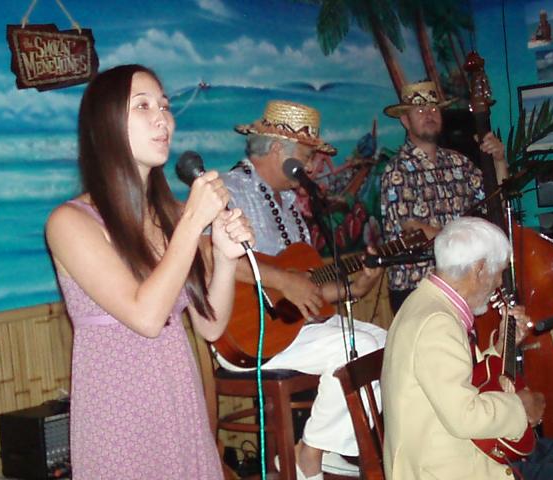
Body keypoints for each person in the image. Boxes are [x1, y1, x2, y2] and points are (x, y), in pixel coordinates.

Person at [45, 64, 254, 479]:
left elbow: (210, 326)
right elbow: (145, 316)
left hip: (179, 402)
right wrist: (192, 223)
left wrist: (225, 258)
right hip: (120, 417)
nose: (163, 118)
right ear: (104, 125)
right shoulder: (70, 222)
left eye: (164, 105)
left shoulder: (172, 216)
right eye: (142, 106)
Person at [214, 100, 387, 480]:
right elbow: (209, 261)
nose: (310, 168)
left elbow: (307, 290)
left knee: (387, 342)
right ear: (278, 149)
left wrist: (355, 288)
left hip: (295, 329)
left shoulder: (291, 204)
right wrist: (280, 279)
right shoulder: (227, 190)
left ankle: (318, 448)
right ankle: (312, 453)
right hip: (248, 335)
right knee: (357, 347)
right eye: (306, 158)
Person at [381, 216, 553, 479]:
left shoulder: (426, 303)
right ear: (479, 269)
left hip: (462, 449)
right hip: (446, 469)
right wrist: (520, 406)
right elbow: (464, 417)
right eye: (499, 272)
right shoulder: (437, 324)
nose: (500, 283)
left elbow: (459, 380)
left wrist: (501, 347)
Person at [380, 81, 508, 313]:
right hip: (417, 287)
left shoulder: (459, 162)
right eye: (420, 110)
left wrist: (499, 160)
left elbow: (496, 201)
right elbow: (412, 228)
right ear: (405, 120)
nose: (429, 115)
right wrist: (468, 249)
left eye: (433, 109)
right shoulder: (397, 170)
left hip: (462, 285)